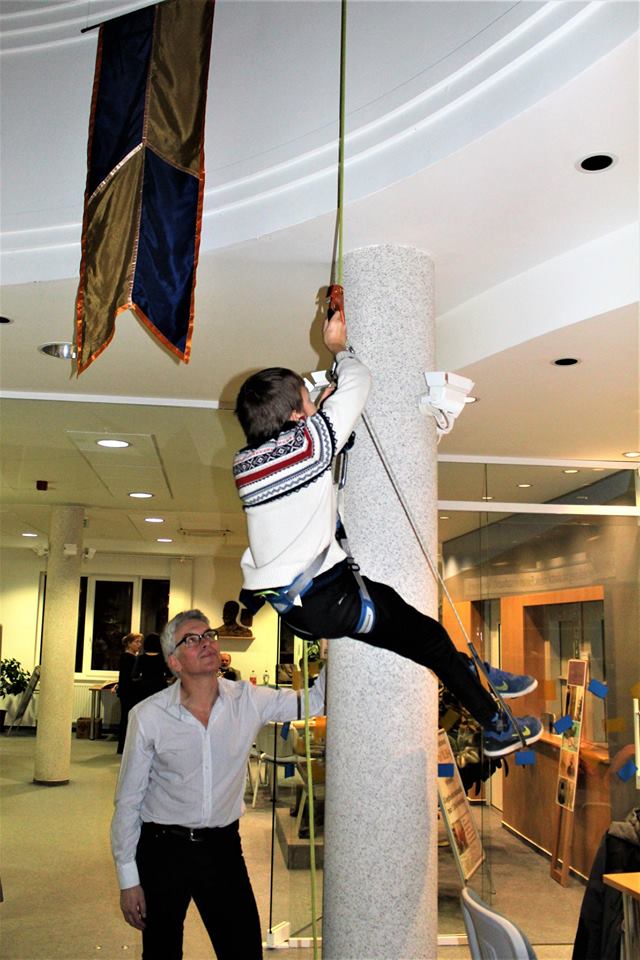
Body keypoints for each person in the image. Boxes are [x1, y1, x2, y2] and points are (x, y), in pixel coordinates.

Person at [233, 306, 541, 759]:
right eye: (307, 401)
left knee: (417, 631)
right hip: (329, 598)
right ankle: (496, 726)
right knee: (428, 640)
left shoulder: (247, 464)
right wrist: (339, 349)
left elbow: (306, 450)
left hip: (305, 604)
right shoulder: (309, 444)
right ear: (297, 416)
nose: (314, 406)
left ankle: (476, 675)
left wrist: (321, 410)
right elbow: (359, 381)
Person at [111, 609, 326, 959]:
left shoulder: (248, 700)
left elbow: (313, 702)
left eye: (209, 635)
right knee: (161, 953)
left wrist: (336, 642)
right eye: (192, 639)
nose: (206, 642)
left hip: (222, 848)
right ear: (174, 662)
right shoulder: (148, 716)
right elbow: (128, 801)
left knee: (242, 950)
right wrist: (128, 879)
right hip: (163, 849)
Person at [116, 632, 143, 754]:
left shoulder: (130, 657)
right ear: (129, 643)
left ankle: (124, 746)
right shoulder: (128, 658)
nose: (139, 644)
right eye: (136, 642)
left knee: (127, 718)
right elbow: (129, 677)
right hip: (129, 692)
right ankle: (124, 746)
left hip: (127, 691)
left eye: (140, 642)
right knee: (127, 719)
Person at [134, 631, 172, 702]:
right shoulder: (163, 658)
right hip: (160, 687)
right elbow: (169, 674)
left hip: (145, 688)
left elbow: (135, 675)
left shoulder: (141, 658)